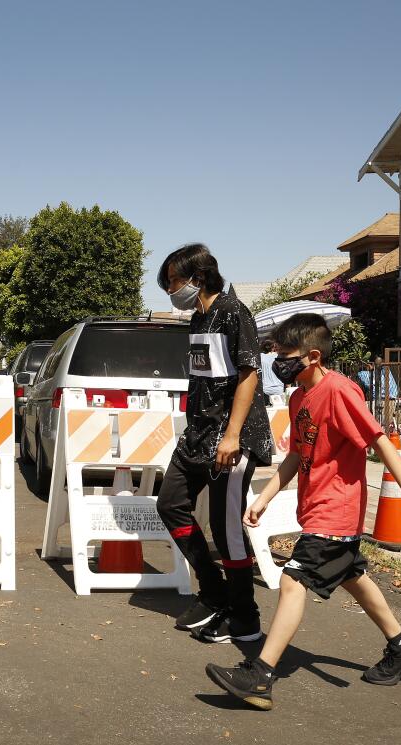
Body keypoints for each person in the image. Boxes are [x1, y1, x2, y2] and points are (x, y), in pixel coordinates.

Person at [204, 313, 401, 710]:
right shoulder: (299, 396)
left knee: (294, 580)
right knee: (352, 575)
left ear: (313, 356)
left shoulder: (340, 391)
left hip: (337, 511)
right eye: (275, 350)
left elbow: (380, 442)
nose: (277, 359)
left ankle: (260, 675)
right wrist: (264, 498)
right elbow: (297, 455)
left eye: (285, 352)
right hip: (315, 509)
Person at [155, 244, 274, 644]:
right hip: (198, 437)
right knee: (170, 503)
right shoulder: (198, 320)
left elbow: (248, 374)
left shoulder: (233, 312)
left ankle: (245, 618)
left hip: (231, 439)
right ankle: (214, 592)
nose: (169, 288)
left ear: (198, 276)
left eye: (173, 280)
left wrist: (233, 434)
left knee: (227, 532)